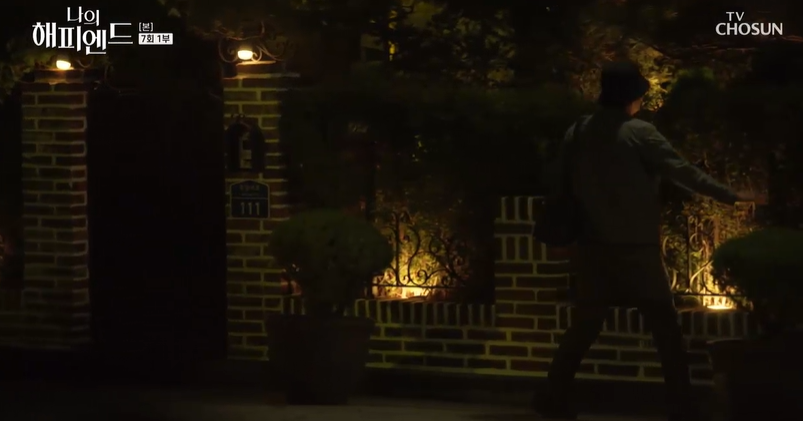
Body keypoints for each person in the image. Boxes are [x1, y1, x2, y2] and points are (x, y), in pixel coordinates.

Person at [533, 62, 755, 421]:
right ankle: (681, 404)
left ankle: (553, 396)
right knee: (664, 327)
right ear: (633, 97)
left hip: (591, 244)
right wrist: (730, 195)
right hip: (635, 246)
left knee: (585, 324)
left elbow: (559, 180)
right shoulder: (639, 132)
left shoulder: (579, 130)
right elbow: (681, 170)